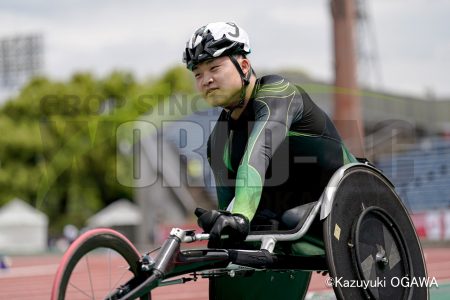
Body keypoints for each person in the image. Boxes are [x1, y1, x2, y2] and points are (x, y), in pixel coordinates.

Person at [182, 22, 357, 247]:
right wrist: (225, 225)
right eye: (198, 74)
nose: (206, 80)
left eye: (214, 68)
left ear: (244, 66)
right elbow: (229, 208)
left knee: (272, 219)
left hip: (352, 200)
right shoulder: (218, 140)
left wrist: (240, 217)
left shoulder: (278, 93)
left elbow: (257, 155)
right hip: (289, 217)